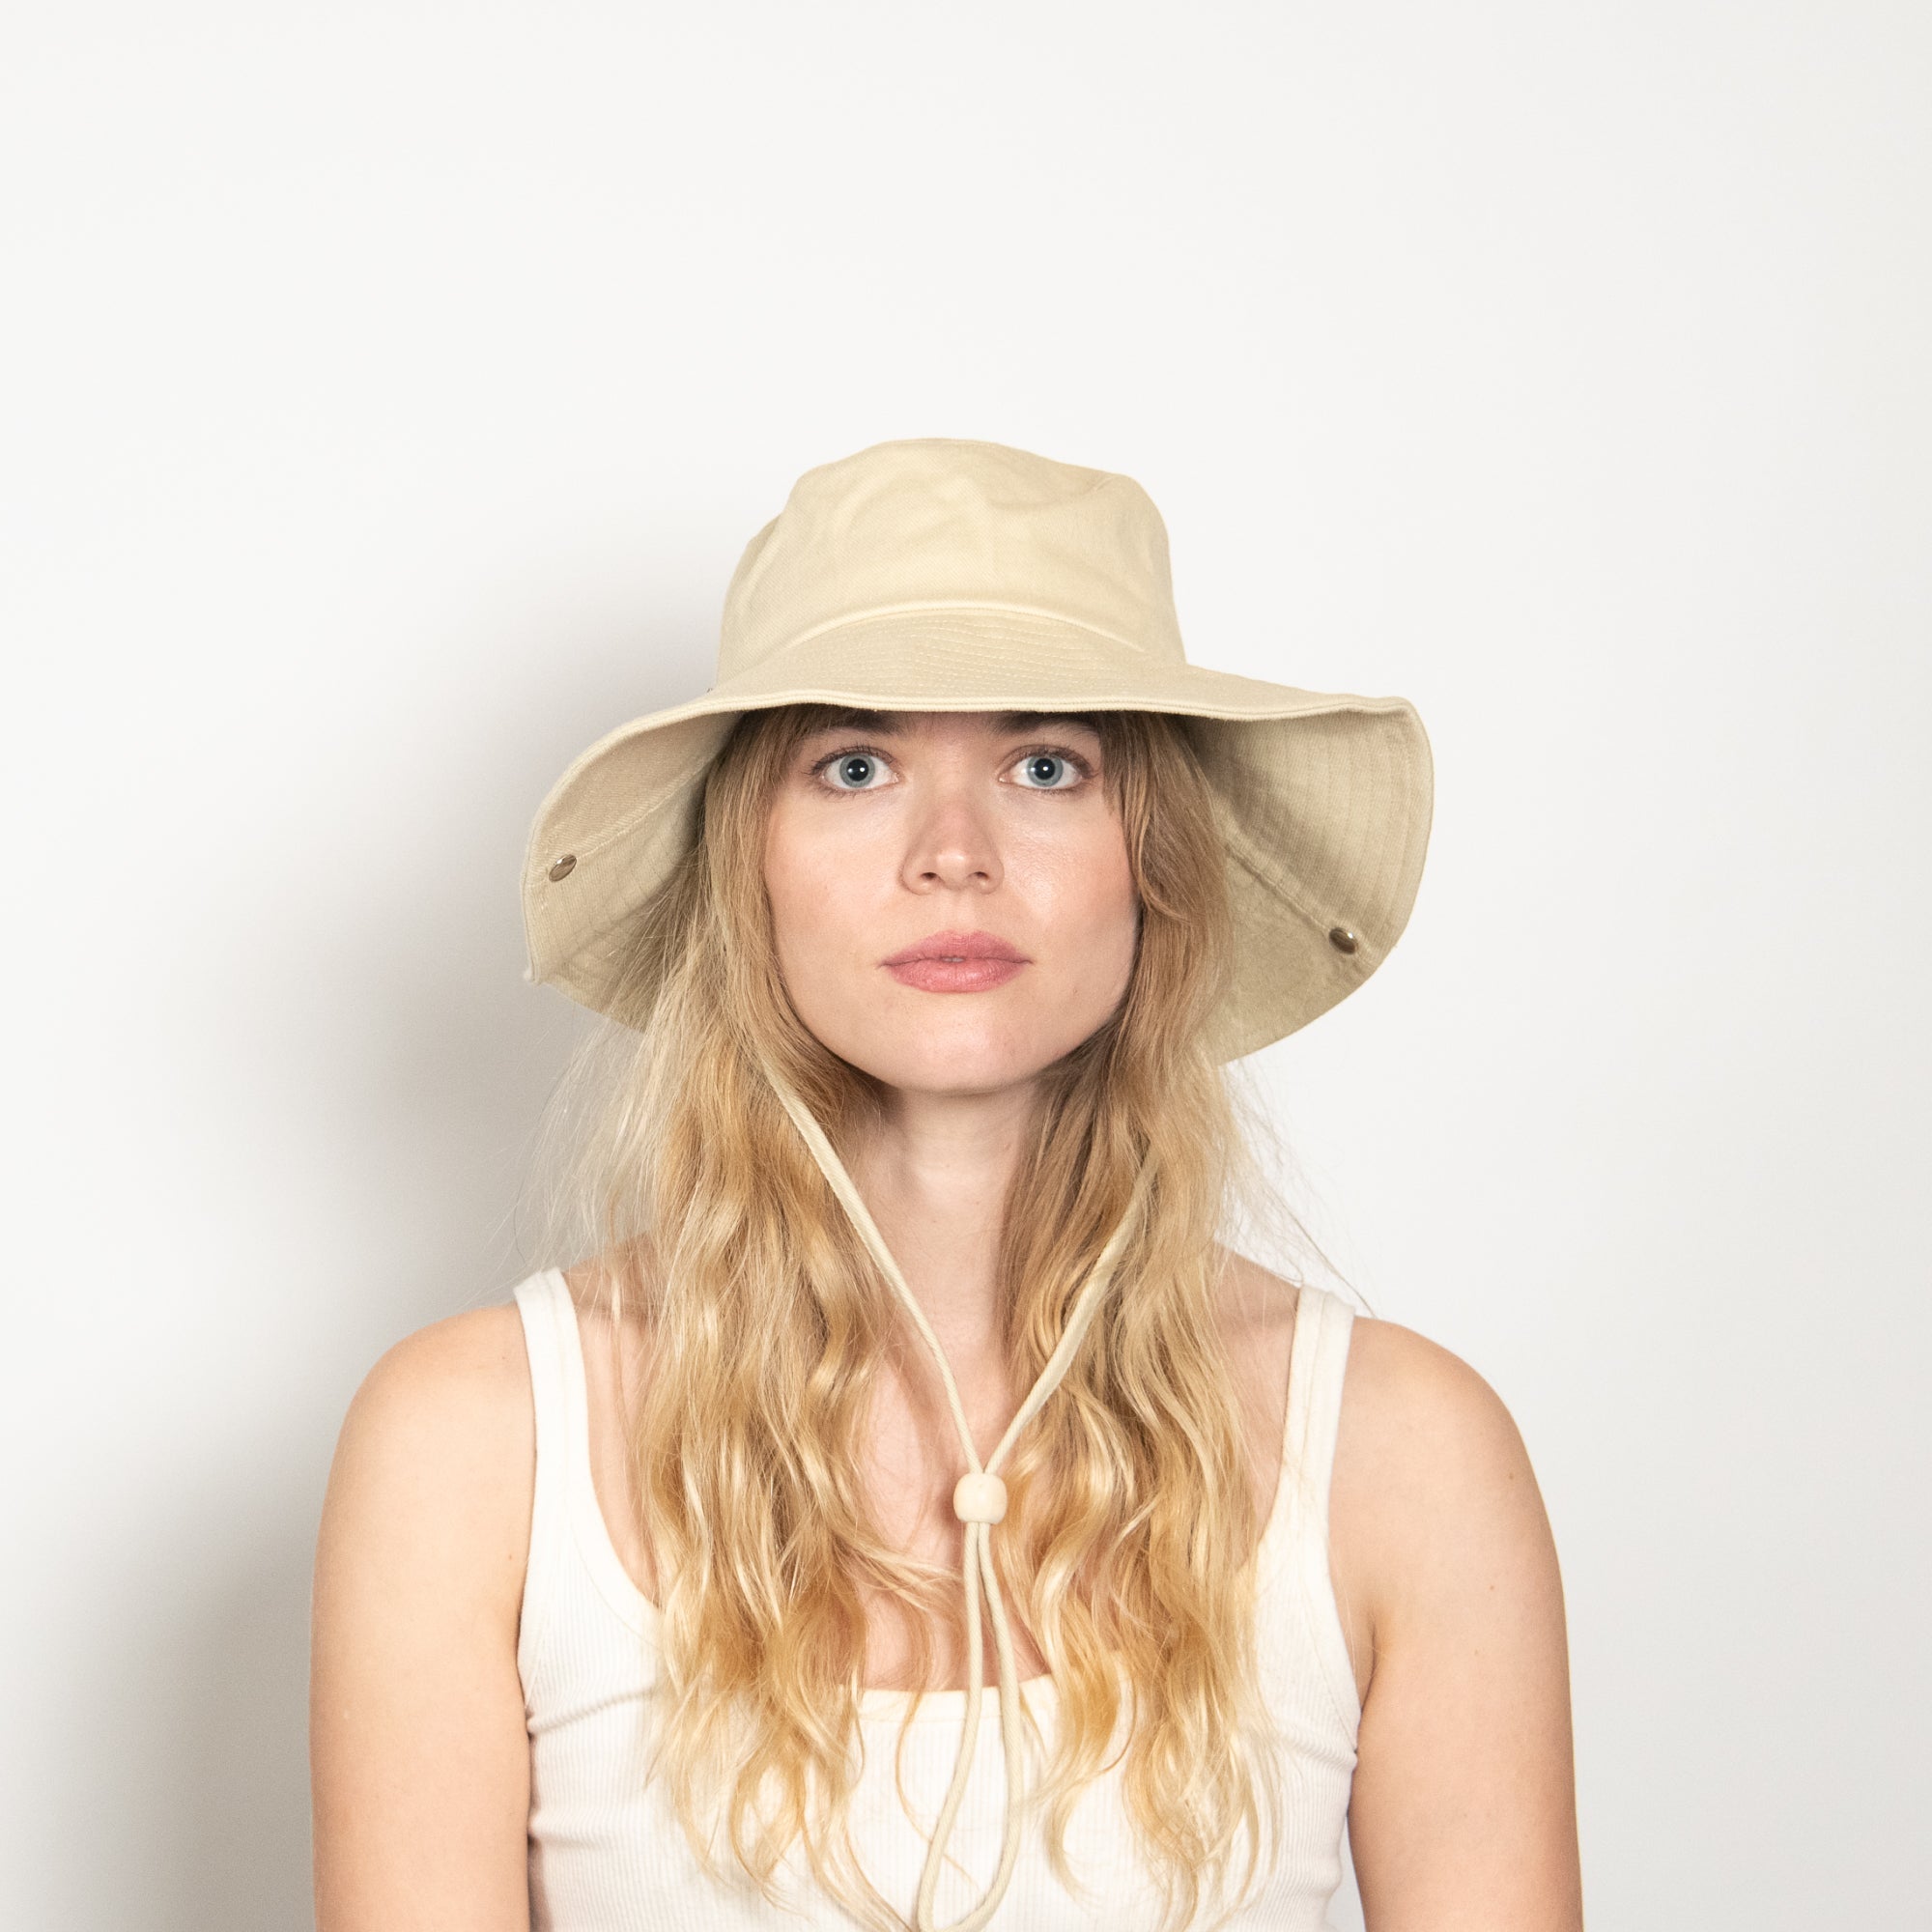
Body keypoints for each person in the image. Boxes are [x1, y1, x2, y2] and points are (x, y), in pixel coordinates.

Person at [309, 439, 1583, 1931]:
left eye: (1046, 767)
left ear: (1153, 863)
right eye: (856, 767)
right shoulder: (474, 1449)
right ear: (746, 865)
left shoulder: (1405, 1456)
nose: (955, 856)